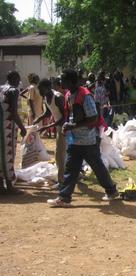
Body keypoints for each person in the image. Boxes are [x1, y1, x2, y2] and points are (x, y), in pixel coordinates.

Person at [47, 69, 118, 207]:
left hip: (88, 140)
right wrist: (67, 127)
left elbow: (93, 118)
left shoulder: (85, 95)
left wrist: (72, 126)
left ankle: (112, 191)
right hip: (75, 139)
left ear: (71, 81)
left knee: (97, 167)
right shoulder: (68, 94)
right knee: (71, 168)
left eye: (63, 79)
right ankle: (64, 197)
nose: (60, 81)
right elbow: (72, 116)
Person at [33, 78, 66, 187]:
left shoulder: (58, 97)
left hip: (65, 128)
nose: (40, 93)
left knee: (60, 155)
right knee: (60, 154)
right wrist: (39, 118)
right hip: (58, 127)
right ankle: (67, 177)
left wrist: (47, 126)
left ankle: (62, 182)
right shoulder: (46, 97)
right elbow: (48, 112)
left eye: (41, 90)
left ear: (48, 88)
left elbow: (65, 118)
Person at [0, 71, 27, 194]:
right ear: (16, 78)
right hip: (7, 128)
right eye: (18, 79)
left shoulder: (1, 88)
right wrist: (22, 128)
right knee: (8, 154)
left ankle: (1, 184)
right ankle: (10, 186)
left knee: (1, 155)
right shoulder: (13, 91)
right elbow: (14, 112)